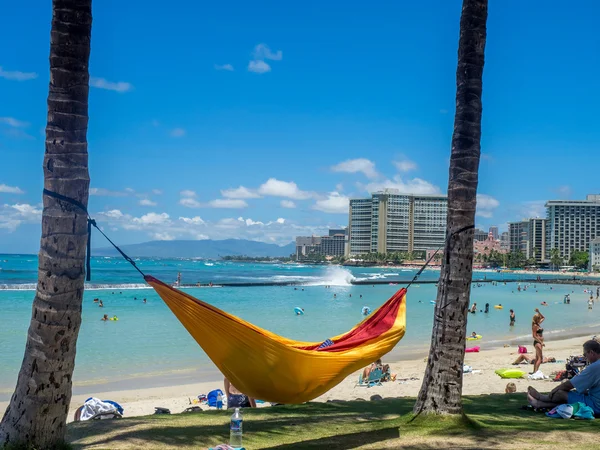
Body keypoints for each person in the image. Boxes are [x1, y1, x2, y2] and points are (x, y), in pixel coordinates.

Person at [527, 340, 600, 414]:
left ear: (591, 352)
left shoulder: (595, 367)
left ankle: (543, 398)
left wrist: (553, 391)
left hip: (595, 405)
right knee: (575, 393)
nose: (585, 358)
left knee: (560, 393)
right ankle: (540, 404)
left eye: (585, 354)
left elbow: (569, 385)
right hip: (594, 400)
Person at [532, 309, 545, 373]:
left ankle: (534, 371)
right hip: (537, 343)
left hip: (539, 343)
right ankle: (536, 372)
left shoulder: (538, 324)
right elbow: (534, 336)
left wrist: (538, 312)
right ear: (537, 319)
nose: (540, 319)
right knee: (540, 358)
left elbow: (543, 317)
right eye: (539, 318)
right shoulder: (535, 326)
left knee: (537, 358)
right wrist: (541, 342)